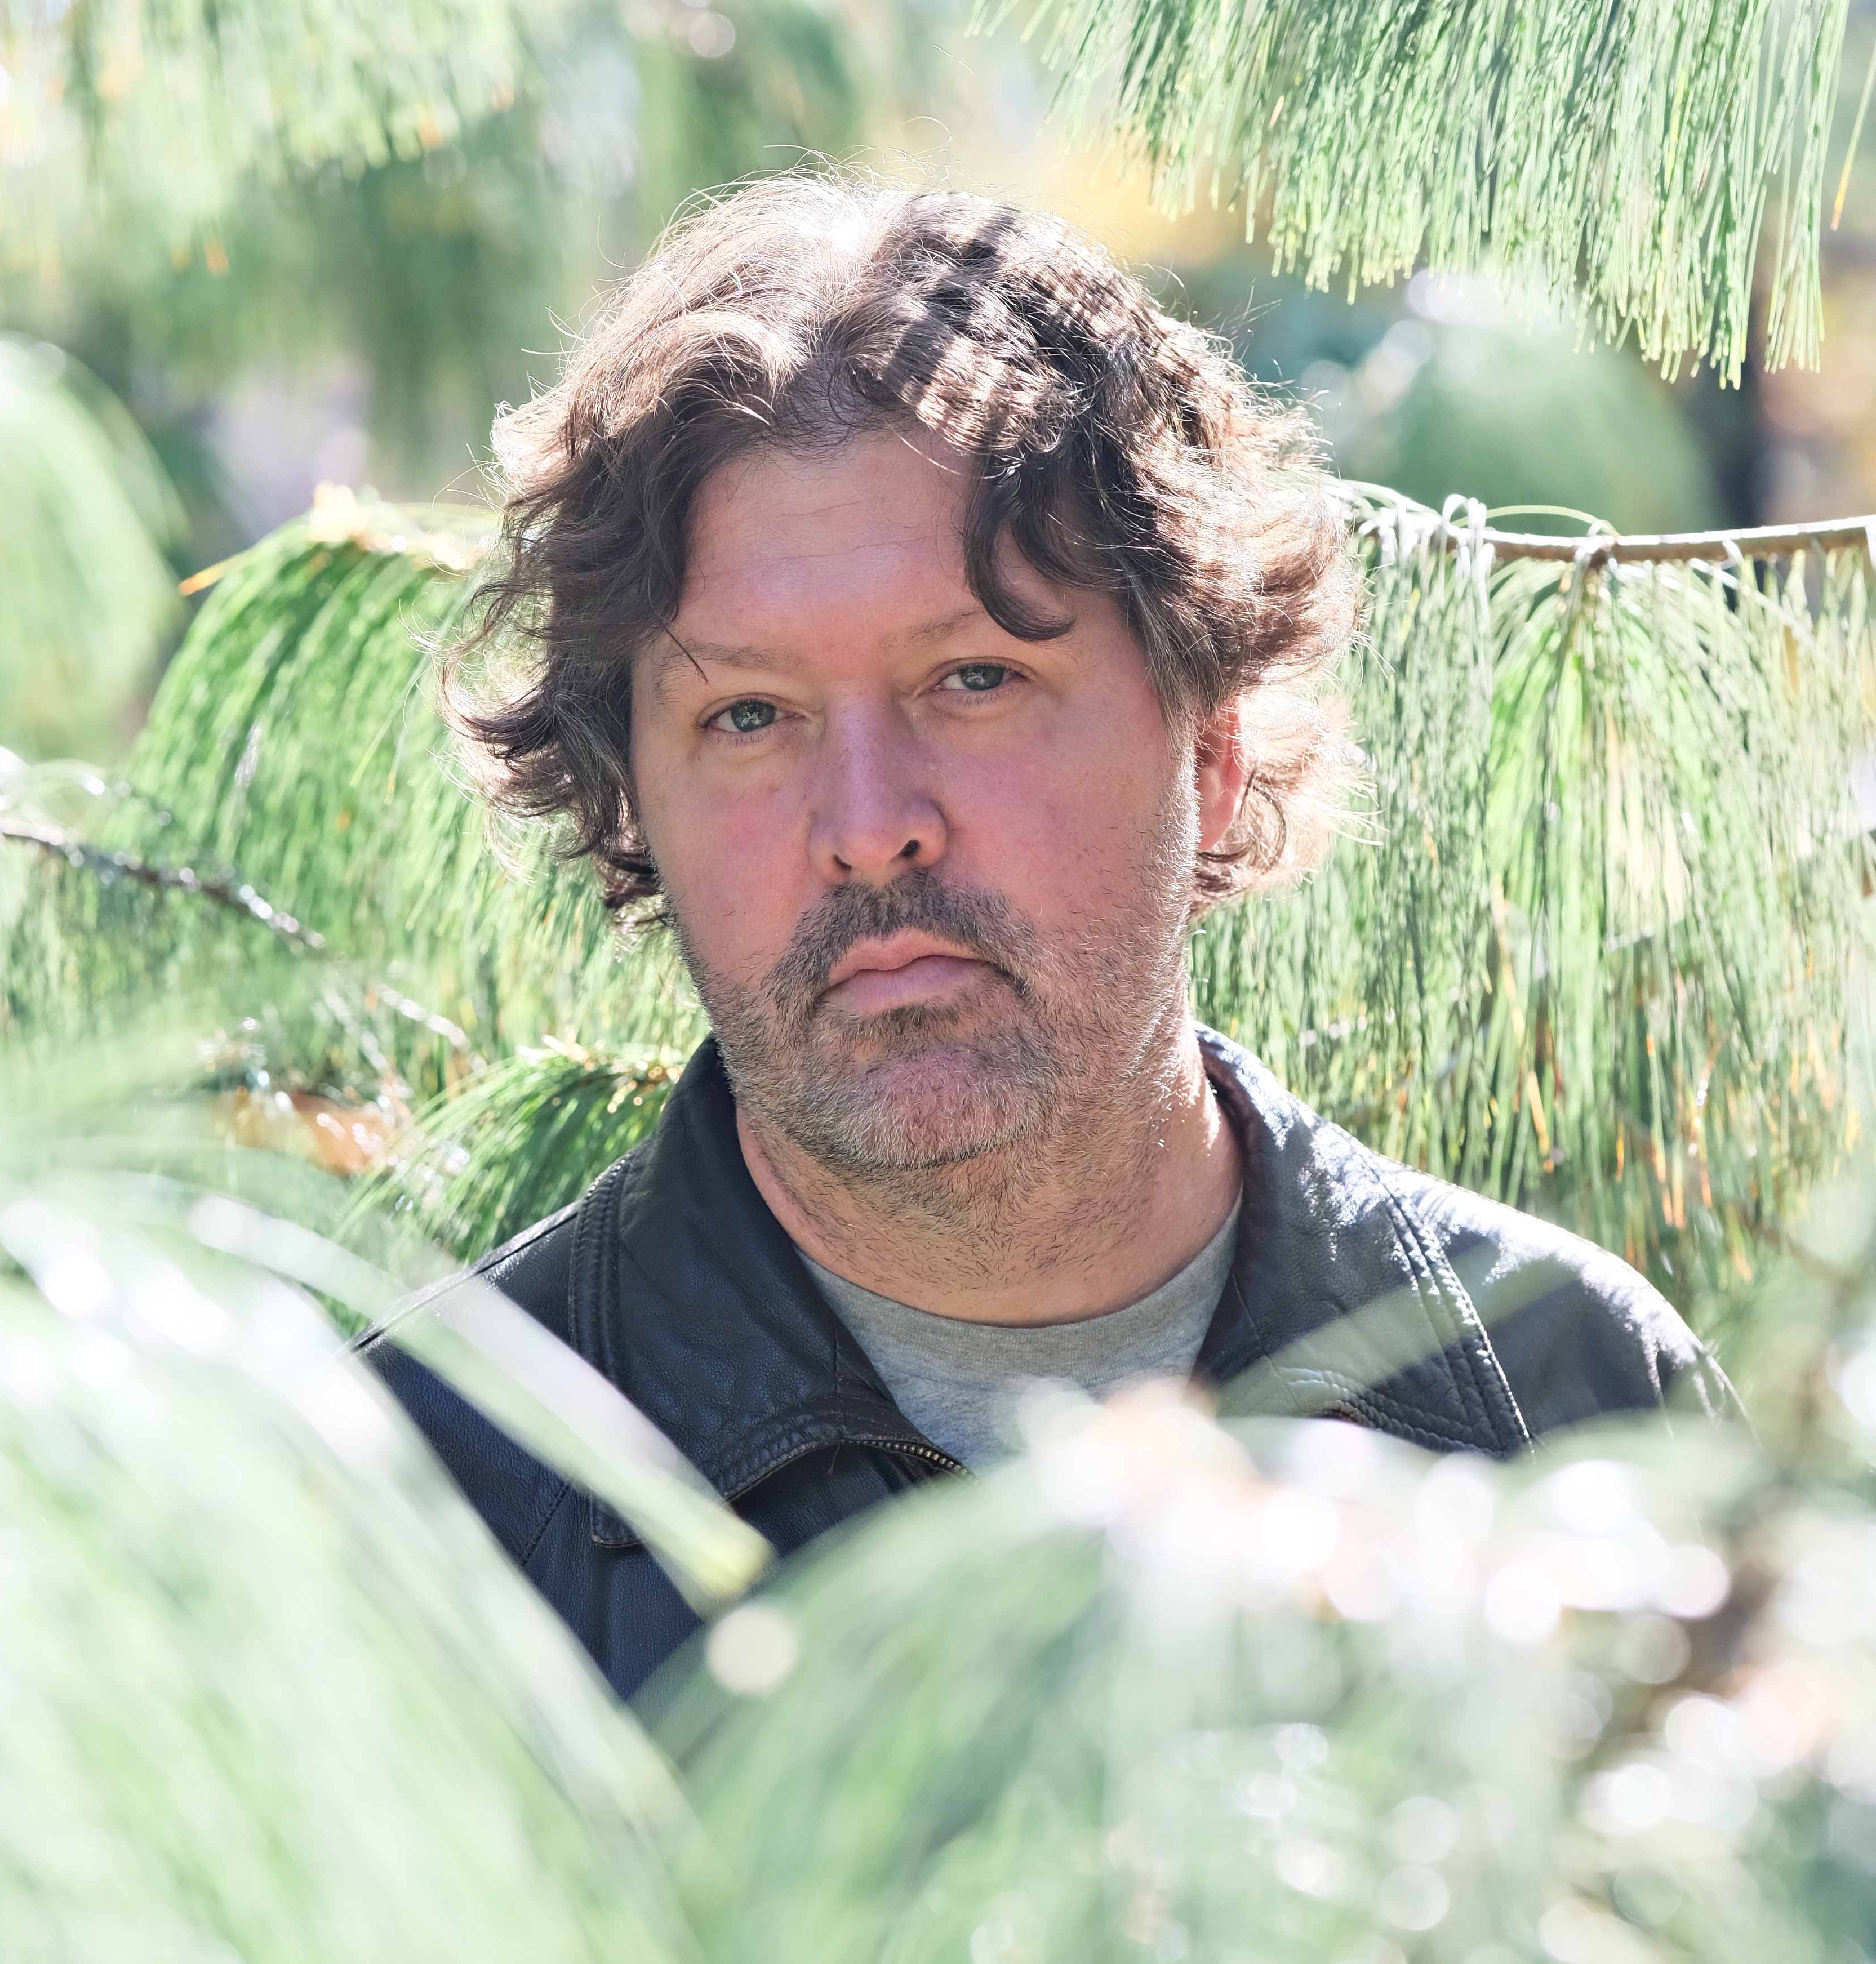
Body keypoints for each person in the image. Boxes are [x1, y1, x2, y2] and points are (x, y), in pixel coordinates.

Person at [363, 174, 1732, 1699]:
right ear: (636, 805)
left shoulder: (1571, 1415)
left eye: (973, 682)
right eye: (749, 716)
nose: (870, 821)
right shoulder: (420, 1513)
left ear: (1208, 745)